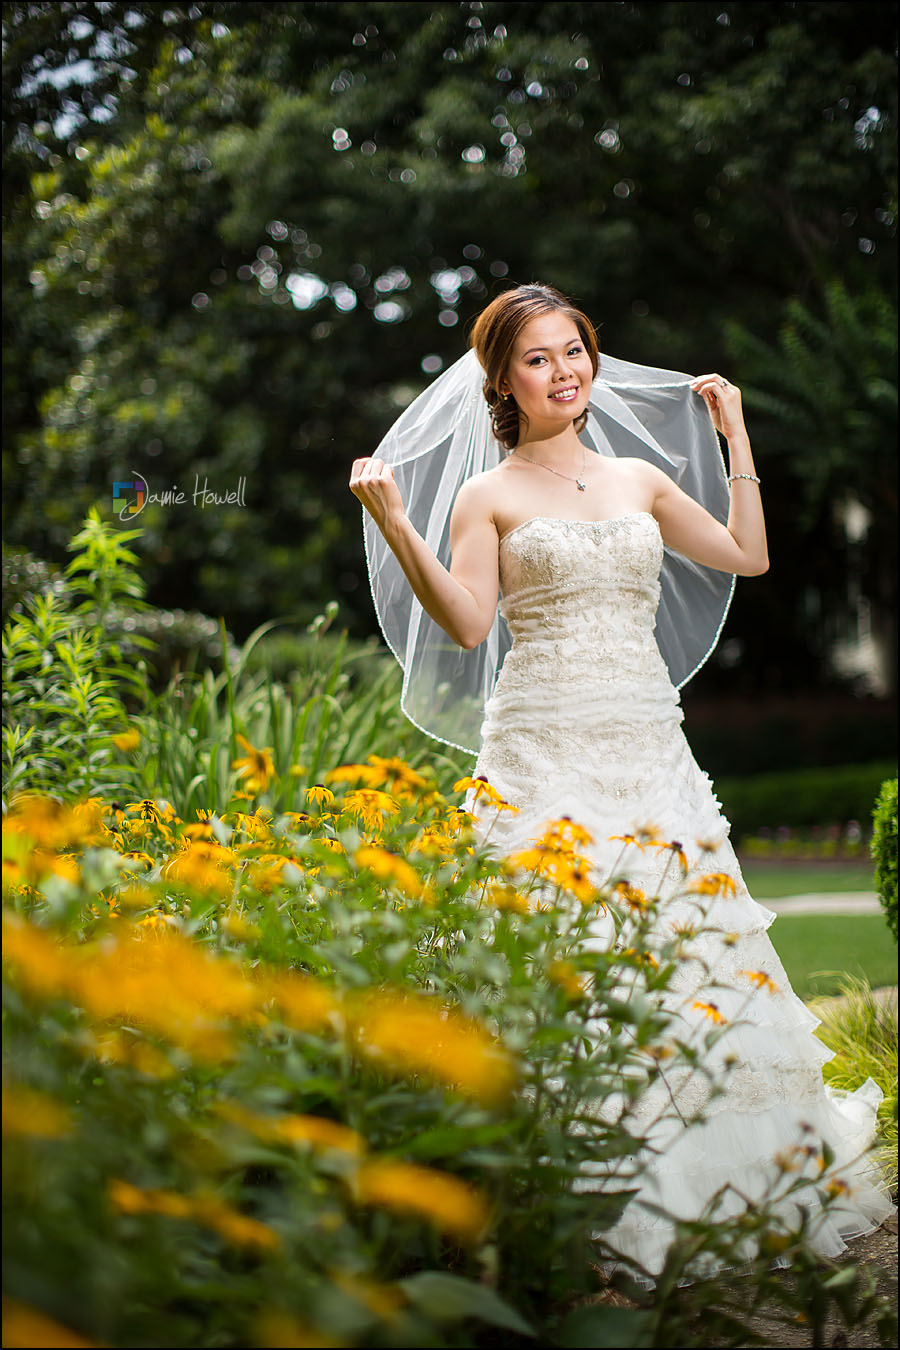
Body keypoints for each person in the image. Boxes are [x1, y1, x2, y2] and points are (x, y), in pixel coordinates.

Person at [349, 283, 894, 1283]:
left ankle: (714, 1179)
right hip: (540, 746)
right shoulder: (489, 495)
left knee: (687, 950)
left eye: (575, 352)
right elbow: (469, 624)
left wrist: (736, 437)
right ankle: (549, 1185)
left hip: (647, 747)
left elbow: (748, 554)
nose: (566, 373)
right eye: (539, 359)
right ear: (505, 382)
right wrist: (393, 520)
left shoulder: (641, 478)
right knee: (555, 944)